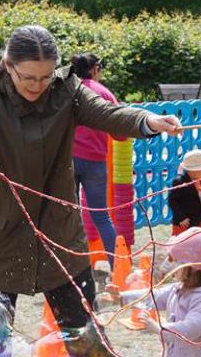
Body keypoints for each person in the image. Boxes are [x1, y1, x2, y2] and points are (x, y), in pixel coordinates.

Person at [0, 25, 182, 354]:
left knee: (87, 340)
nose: (37, 86)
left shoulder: (68, 89)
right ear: (8, 65)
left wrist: (147, 122)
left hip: (61, 236)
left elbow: (108, 113)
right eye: (27, 78)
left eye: (45, 77)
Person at [106, 227, 201, 357]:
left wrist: (160, 329)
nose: (168, 265)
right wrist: (121, 297)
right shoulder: (179, 288)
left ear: (191, 267)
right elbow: (153, 296)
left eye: (173, 260)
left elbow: (188, 330)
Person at [70, 53, 124, 267]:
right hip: (96, 162)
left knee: (68, 217)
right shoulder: (104, 93)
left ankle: (70, 268)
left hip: (69, 160)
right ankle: (117, 267)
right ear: (94, 69)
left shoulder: (68, 91)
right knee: (101, 217)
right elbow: (120, 130)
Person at [168, 150, 201, 237]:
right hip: (184, 224)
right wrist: (181, 218)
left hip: (197, 222)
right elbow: (173, 201)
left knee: (196, 243)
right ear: (192, 170)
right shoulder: (180, 181)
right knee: (181, 244)